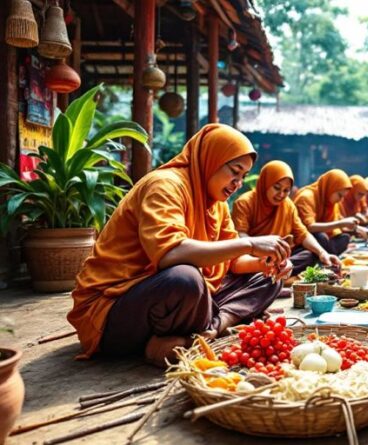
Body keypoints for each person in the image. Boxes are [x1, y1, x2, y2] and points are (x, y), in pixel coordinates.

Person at [68, 124, 292, 366]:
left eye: (243, 176)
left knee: (268, 280)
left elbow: (232, 262)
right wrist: (249, 243)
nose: (238, 183)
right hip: (115, 313)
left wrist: (265, 263)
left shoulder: (216, 203)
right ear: (211, 159)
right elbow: (170, 254)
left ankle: (211, 328)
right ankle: (200, 329)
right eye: (234, 172)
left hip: (182, 306)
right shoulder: (165, 185)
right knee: (184, 279)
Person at [232, 160, 341, 277]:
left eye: (286, 190)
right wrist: (260, 248)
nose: (281, 194)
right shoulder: (245, 202)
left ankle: (278, 273)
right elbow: (240, 236)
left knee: (310, 254)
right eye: (277, 188)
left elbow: (302, 234)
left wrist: (323, 253)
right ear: (265, 183)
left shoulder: (287, 205)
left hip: (281, 258)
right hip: (255, 259)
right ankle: (273, 275)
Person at [293, 169, 368, 255]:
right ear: (330, 187)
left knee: (344, 238)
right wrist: (340, 224)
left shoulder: (330, 200)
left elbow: (338, 221)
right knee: (321, 237)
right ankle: (325, 255)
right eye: (340, 195)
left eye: (343, 197)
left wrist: (356, 228)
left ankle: (328, 255)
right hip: (304, 242)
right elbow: (308, 227)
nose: (341, 200)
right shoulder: (306, 197)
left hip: (324, 239)